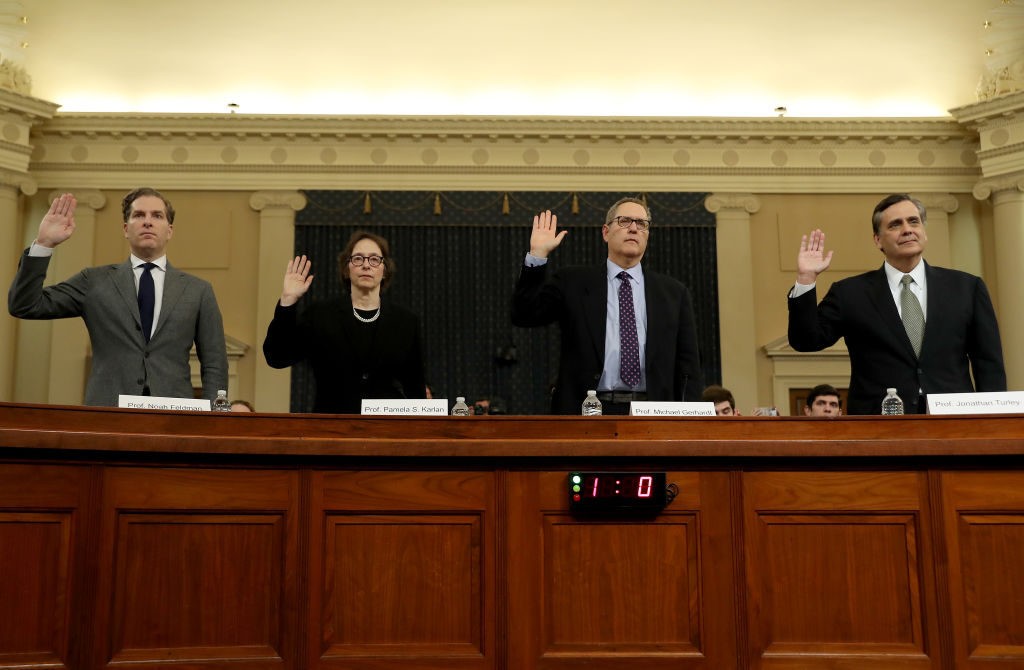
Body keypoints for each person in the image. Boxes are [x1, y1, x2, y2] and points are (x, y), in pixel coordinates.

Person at [788, 193, 1006, 415]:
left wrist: (994, 424)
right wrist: (806, 279)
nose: (907, 229)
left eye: (914, 221)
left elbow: (988, 364)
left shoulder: (967, 288)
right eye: (895, 224)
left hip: (954, 423)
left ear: (923, 231)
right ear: (877, 239)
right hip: (878, 427)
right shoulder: (849, 293)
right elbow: (805, 340)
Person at [8, 188, 228, 406]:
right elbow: (25, 305)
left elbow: (215, 362)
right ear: (125, 228)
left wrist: (214, 418)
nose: (148, 222)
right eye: (139, 215)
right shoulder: (93, 281)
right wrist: (44, 245)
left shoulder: (198, 291)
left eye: (157, 216)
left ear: (169, 230)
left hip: (174, 418)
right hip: (108, 413)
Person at [511, 197, 704, 415]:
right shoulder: (573, 282)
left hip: (653, 412)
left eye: (641, 224)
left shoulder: (674, 294)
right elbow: (524, 314)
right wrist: (538, 255)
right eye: (624, 221)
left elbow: (689, 367)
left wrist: (692, 419)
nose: (633, 228)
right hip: (586, 410)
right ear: (605, 232)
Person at [262, 230, 426, 414]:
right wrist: (287, 301)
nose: (366, 265)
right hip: (331, 430)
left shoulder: (406, 321)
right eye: (358, 259)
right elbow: (277, 356)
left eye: (374, 259)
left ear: (385, 269)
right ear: (346, 268)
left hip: (387, 432)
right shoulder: (320, 315)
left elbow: (416, 388)